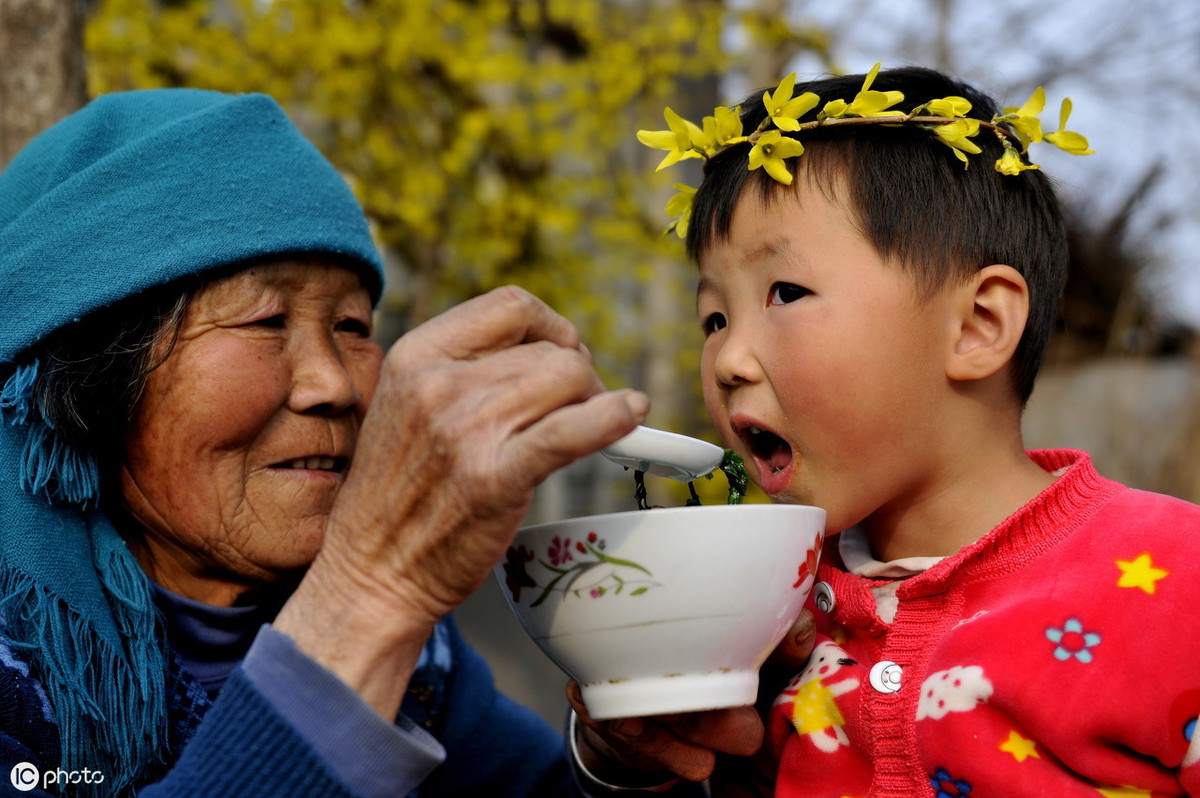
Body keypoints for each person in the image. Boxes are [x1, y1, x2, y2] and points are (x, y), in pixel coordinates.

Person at [0, 88, 772, 797]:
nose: (332, 384)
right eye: (266, 321)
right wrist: (370, 596)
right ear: (91, 376)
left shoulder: (420, 661)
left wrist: (619, 761)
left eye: (352, 328)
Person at [611, 65, 1200, 796]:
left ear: (978, 325)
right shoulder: (755, 606)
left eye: (785, 293)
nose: (727, 359)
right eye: (714, 318)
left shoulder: (1180, 583)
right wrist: (626, 743)